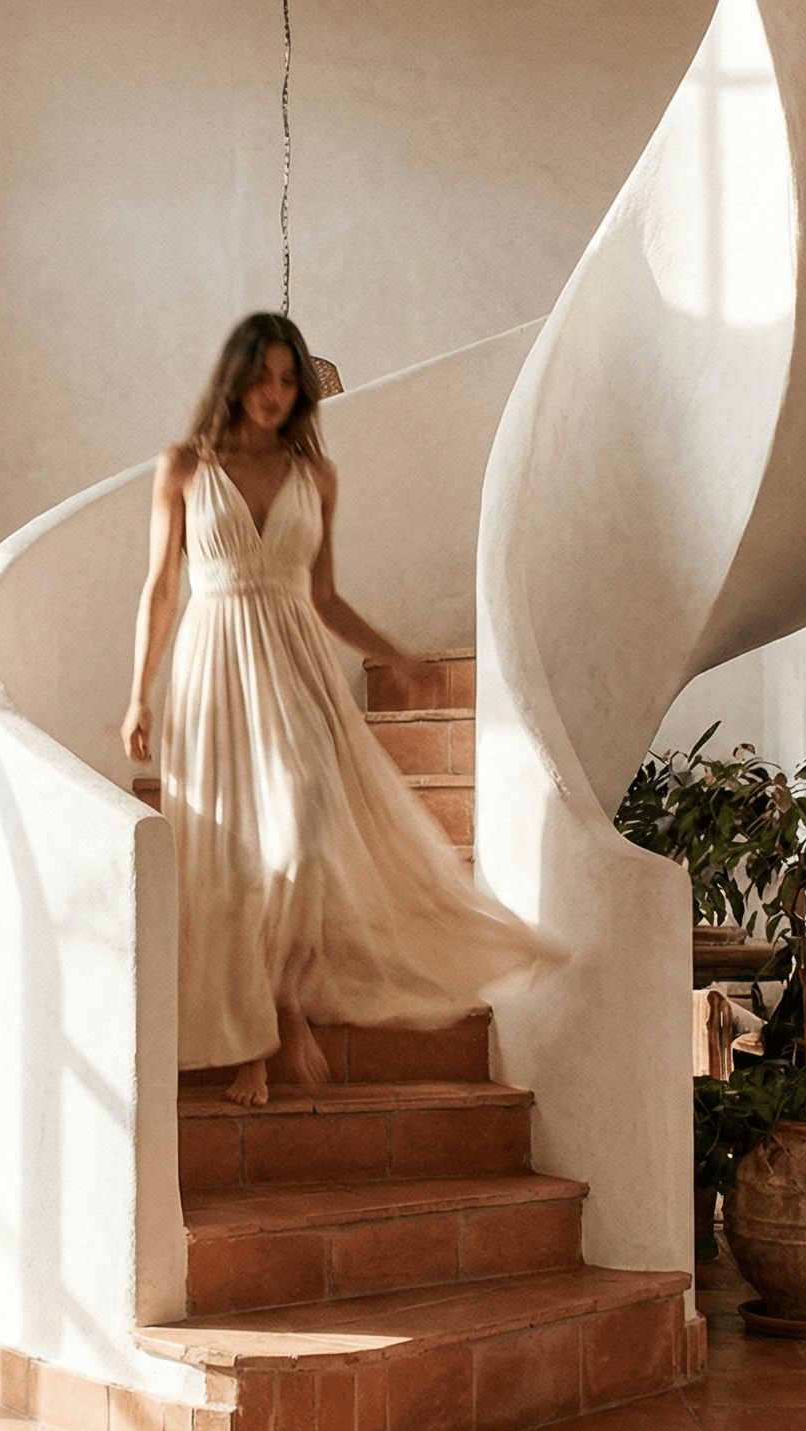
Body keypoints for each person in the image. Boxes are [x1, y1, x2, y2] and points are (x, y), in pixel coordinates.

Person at [123, 312, 560, 1107]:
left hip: (295, 667)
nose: (276, 394)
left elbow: (322, 596)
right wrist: (137, 695)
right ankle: (256, 1043)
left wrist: (392, 653)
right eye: (264, 377)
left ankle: (288, 1000)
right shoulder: (183, 466)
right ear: (236, 377)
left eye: (290, 382)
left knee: (299, 842)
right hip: (211, 668)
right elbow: (160, 589)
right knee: (225, 864)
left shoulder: (316, 476)